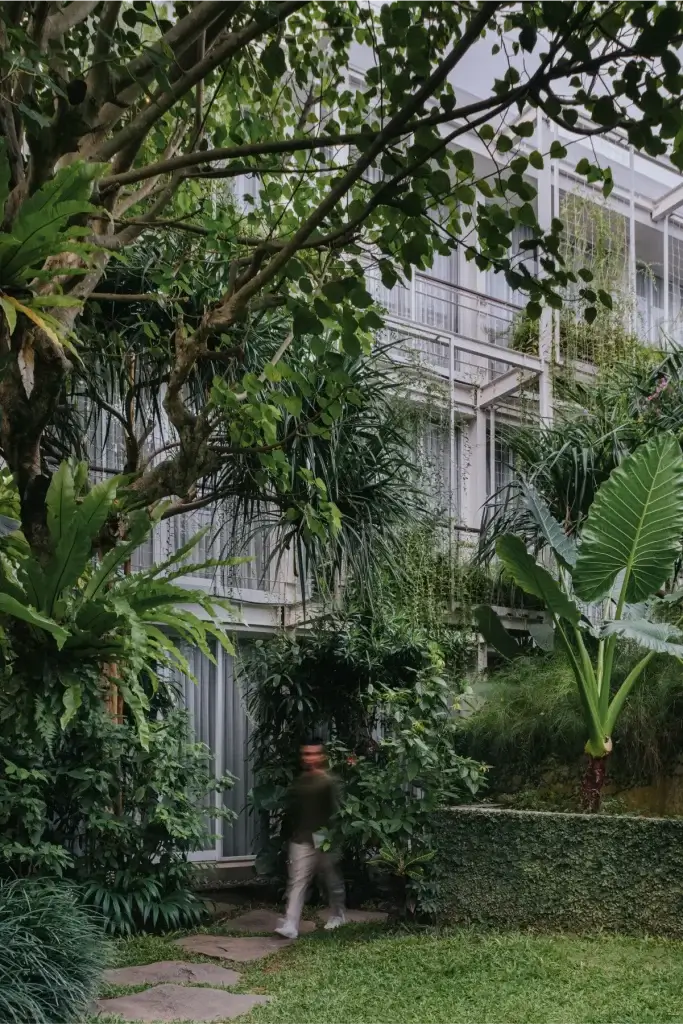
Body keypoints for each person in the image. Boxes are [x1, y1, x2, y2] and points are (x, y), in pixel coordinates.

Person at [275, 737, 346, 939]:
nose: (310, 757)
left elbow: (338, 810)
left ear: (322, 756)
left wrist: (333, 837)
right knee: (297, 881)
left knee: (330, 877)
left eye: (314, 753)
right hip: (301, 839)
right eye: (306, 753)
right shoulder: (300, 782)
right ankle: (291, 924)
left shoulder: (328, 782)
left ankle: (338, 914)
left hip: (324, 835)